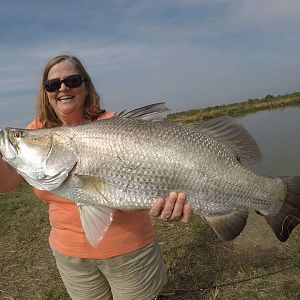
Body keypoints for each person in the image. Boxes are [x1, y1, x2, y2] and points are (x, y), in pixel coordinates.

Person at [0, 54, 192, 300]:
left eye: (72, 80)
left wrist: (172, 202)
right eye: (53, 84)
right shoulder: (36, 131)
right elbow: (7, 182)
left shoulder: (115, 125)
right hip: (71, 256)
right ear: (45, 92)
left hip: (130, 250)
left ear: (86, 85)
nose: (63, 88)